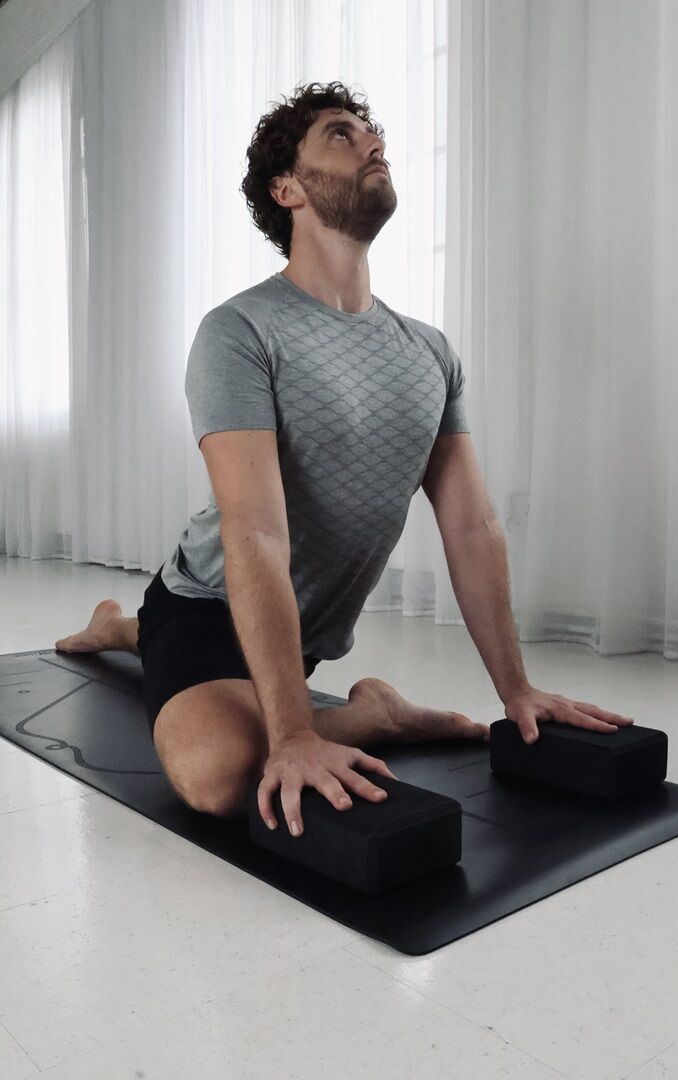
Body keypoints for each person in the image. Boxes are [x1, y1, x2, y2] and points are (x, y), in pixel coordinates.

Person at [55, 81, 633, 839]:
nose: (374, 143)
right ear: (286, 189)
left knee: (238, 716)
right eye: (341, 134)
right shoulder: (240, 331)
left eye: (373, 133)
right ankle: (364, 712)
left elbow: (472, 527)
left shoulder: (428, 352)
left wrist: (517, 692)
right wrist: (296, 733)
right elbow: (255, 532)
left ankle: (123, 628)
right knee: (222, 773)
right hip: (210, 604)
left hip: (296, 632)